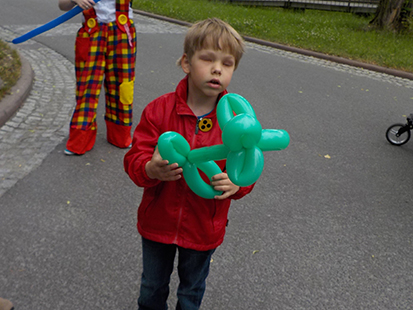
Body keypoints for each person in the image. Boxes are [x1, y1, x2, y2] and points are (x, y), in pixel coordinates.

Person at [124, 18, 255, 310]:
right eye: (207, 59)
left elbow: (249, 166)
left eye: (228, 63)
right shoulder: (159, 110)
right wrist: (149, 168)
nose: (217, 69)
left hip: (204, 227)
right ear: (186, 62)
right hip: (158, 221)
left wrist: (236, 184)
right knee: (151, 290)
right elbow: (134, 157)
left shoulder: (236, 122)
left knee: (191, 293)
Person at [58, 0, 137, 155]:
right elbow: (62, 5)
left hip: (122, 32)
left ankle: (120, 135)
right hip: (91, 33)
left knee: (122, 87)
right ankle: (80, 139)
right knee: (87, 88)